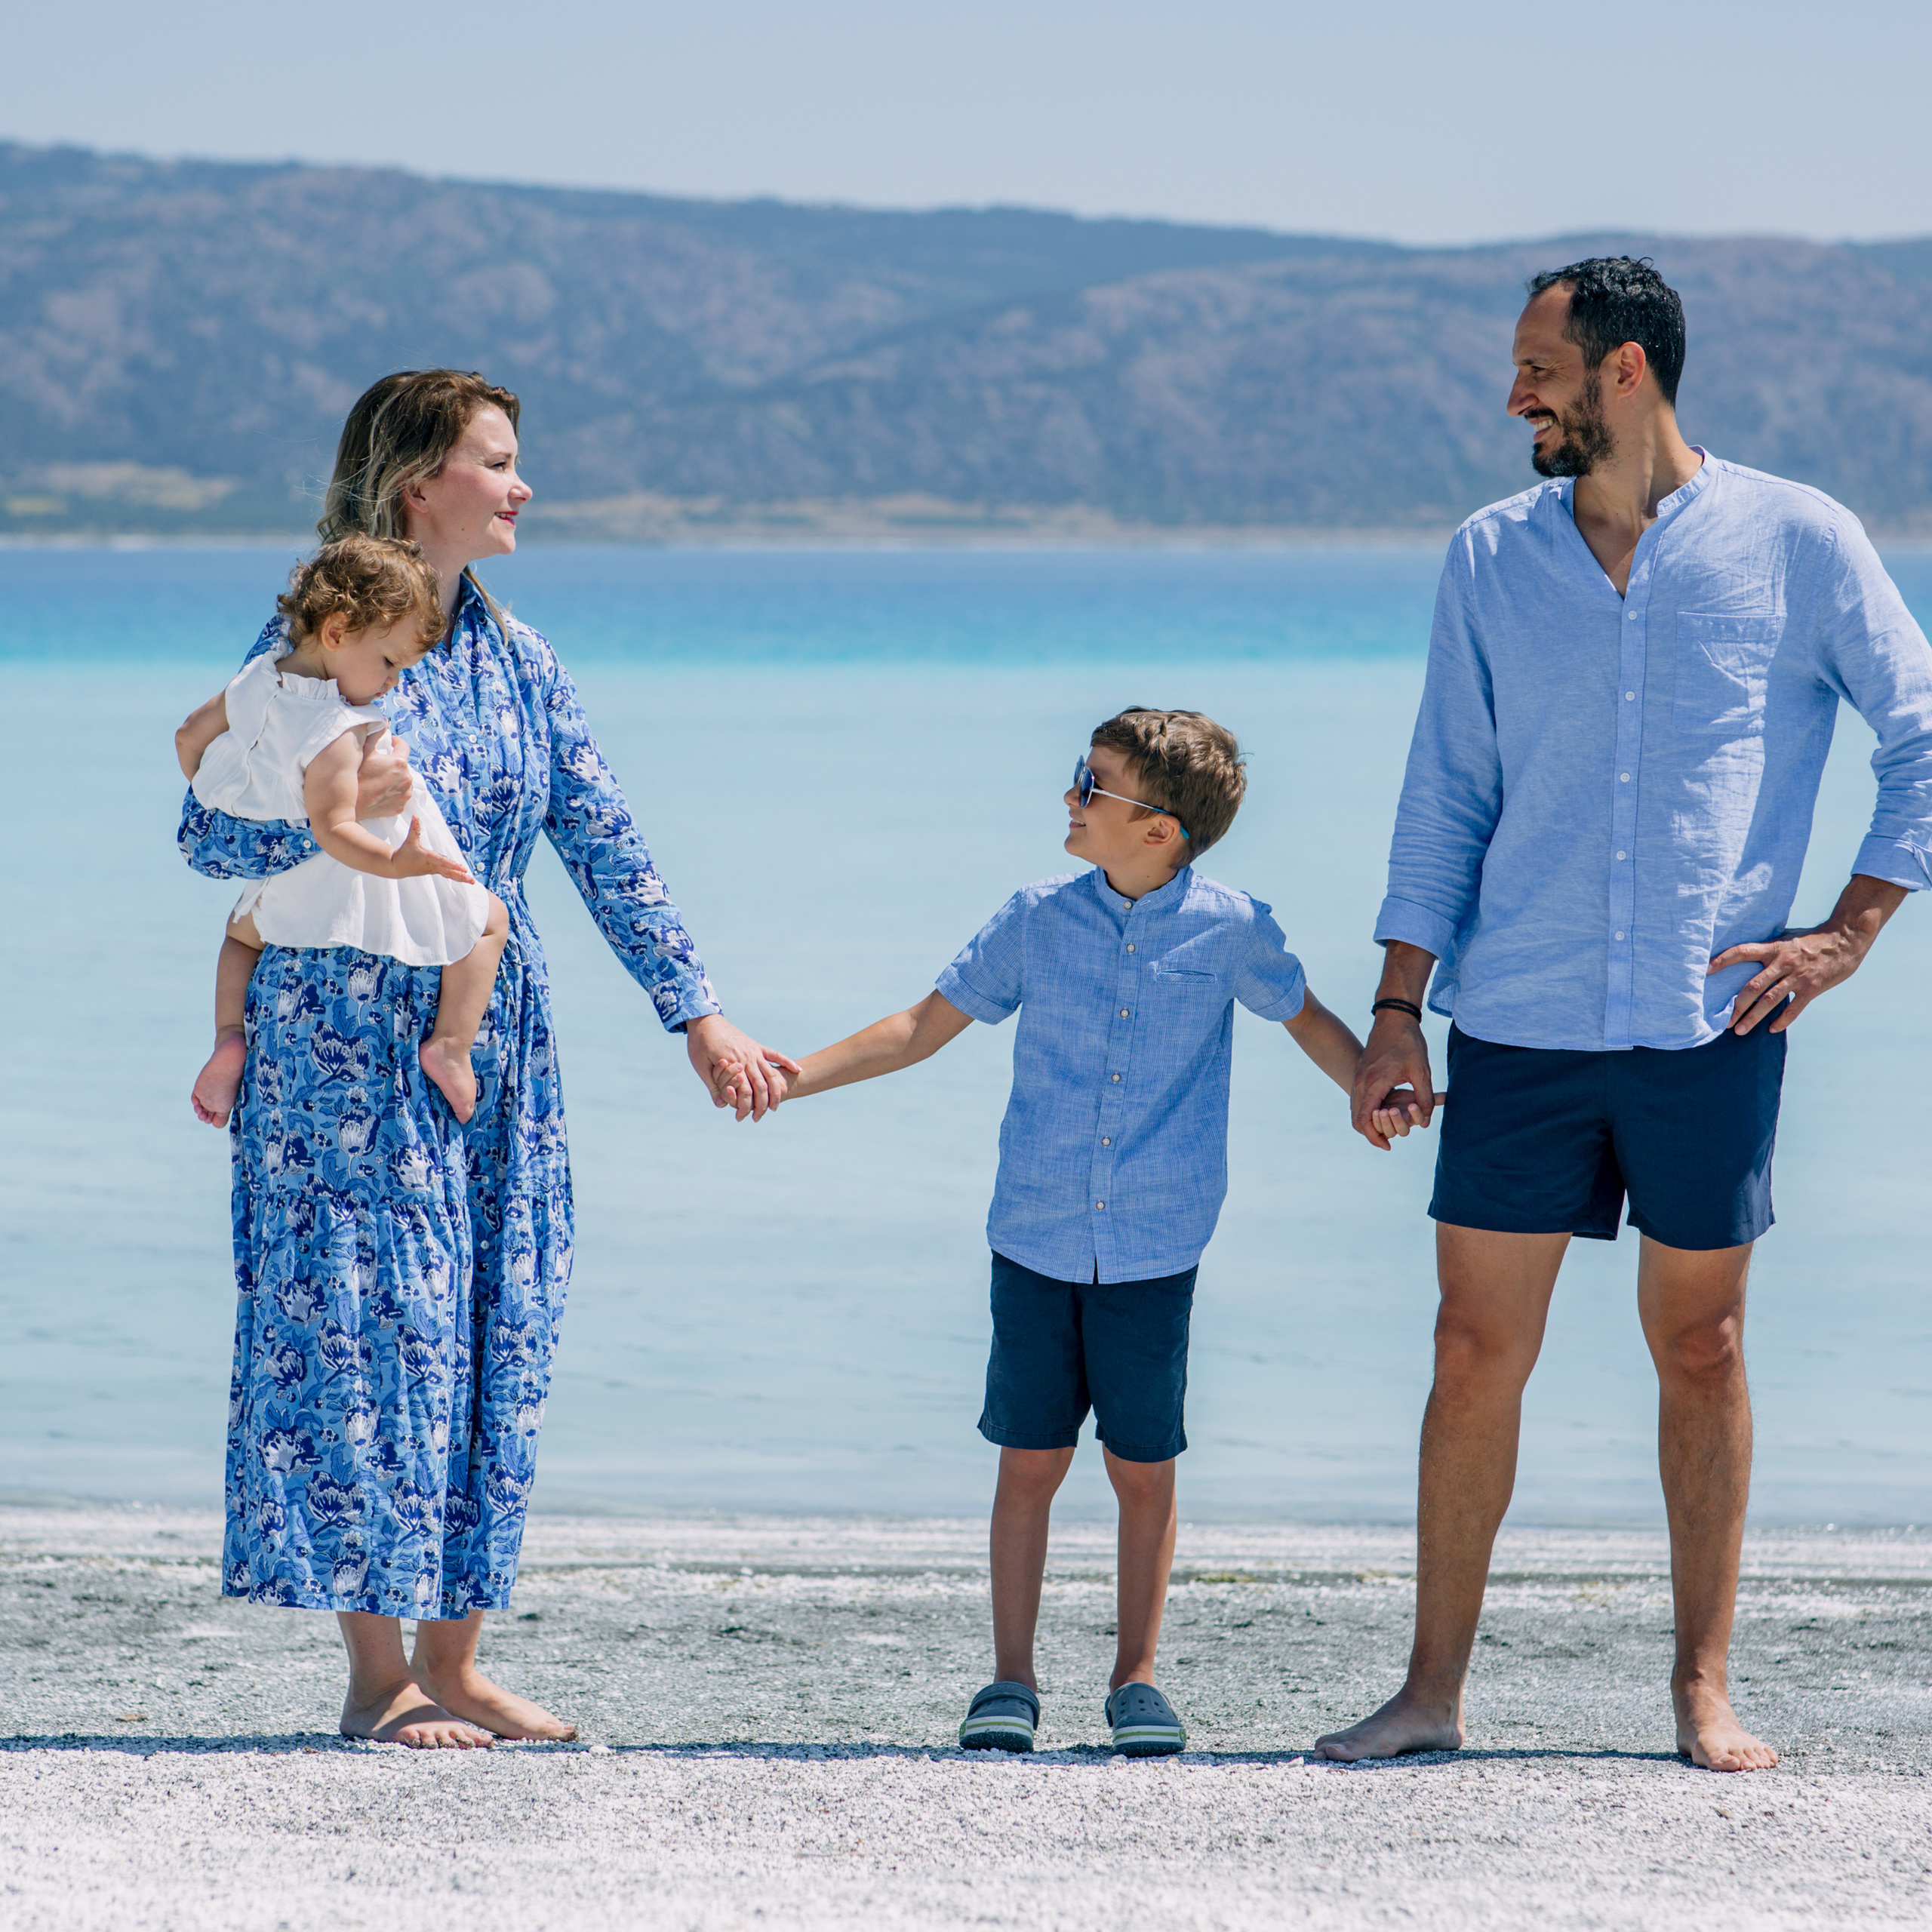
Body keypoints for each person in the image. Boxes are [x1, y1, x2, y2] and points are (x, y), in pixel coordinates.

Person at [1324, 257, 1932, 1774]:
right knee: (1472, 1346)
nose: (1512, 391)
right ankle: (1428, 1694)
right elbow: (1440, 798)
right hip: (1516, 1015)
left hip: (1705, 1022)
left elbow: (1919, 733)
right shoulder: (1487, 558)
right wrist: (1396, 1008)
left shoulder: (1796, 540)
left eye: (1537, 364)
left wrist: (1845, 934)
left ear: (1625, 372)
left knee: (1704, 1345)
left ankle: (1699, 1692)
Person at [178, 369, 797, 1749]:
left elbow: (604, 840)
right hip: (337, 1037)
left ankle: (455, 1661)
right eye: (499, 462)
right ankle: (374, 1673)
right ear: (419, 485)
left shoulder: (522, 661)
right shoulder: (310, 653)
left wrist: (695, 1012)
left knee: (491, 1326)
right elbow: (205, 839)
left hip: (491, 1030)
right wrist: (332, 819)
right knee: (363, 1327)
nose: (523, 487)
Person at [785, 709, 1367, 1756]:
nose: (1069, 797)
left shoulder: (1232, 927)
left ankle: (1136, 1677)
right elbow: (923, 1027)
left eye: (1091, 784)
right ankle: (1011, 1678)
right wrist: (795, 1078)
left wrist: (1379, 1085)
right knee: (1029, 1460)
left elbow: (1309, 1019)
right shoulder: (1034, 918)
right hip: (1036, 1236)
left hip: (1157, 1245)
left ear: (1161, 830)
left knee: (1144, 1467)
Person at [179, 536, 509, 1129]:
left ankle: (229, 1034)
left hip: (274, 885)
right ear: (336, 632)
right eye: (388, 664)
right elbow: (334, 828)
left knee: (240, 938)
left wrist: (236, 791)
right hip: (341, 882)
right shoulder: (336, 725)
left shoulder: (257, 679)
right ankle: (451, 1046)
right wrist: (395, 862)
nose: (393, 684)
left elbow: (188, 739)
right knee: (488, 920)